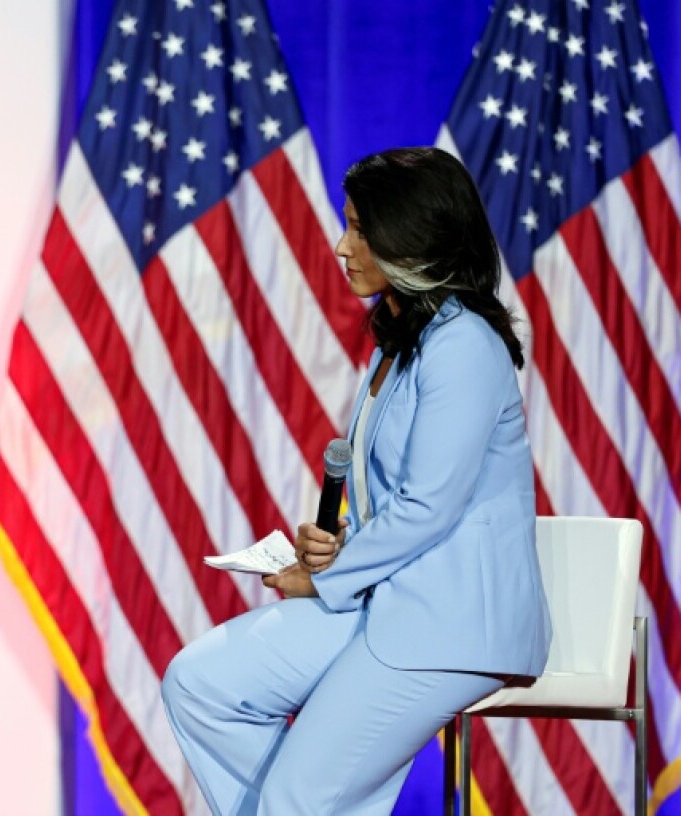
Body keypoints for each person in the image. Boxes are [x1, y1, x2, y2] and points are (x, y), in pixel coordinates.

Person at [161, 147, 552, 815]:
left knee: (299, 796)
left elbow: (429, 506)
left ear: (413, 238)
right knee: (198, 685)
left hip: (448, 624)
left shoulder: (464, 348)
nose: (343, 247)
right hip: (385, 601)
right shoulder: (401, 345)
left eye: (360, 229)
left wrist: (322, 578)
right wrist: (341, 545)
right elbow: (400, 498)